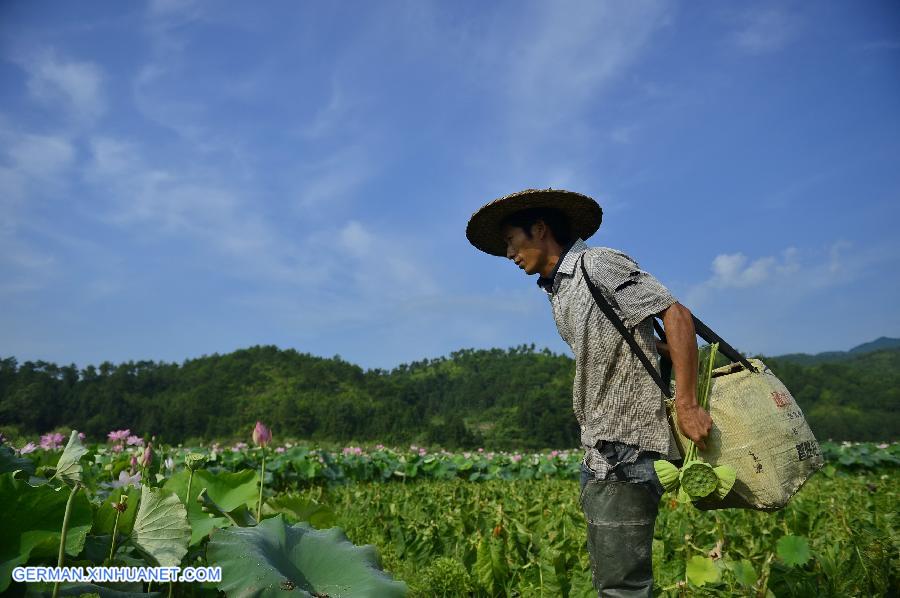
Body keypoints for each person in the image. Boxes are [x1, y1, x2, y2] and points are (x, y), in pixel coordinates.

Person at [466, 188, 712, 596]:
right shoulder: (559, 290)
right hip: (602, 447)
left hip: (628, 445)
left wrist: (686, 404)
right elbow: (646, 347)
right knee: (614, 581)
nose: (508, 252)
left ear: (540, 229)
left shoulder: (596, 264)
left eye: (511, 240)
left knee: (621, 589)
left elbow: (676, 315)